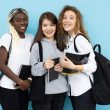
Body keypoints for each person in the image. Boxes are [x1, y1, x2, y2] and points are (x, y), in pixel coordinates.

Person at [56, 5, 97, 110]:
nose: (66, 20)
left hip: (84, 92)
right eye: (64, 17)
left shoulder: (80, 40)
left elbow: (93, 66)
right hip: (75, 91)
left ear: (77, 21)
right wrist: (63, 69)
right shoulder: (70, 40)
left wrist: (73, 67)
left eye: (71, 17)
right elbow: (78, 63)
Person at [30, 12, 68, 110]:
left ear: (56, 26)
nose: (49, 28)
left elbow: (70, 70)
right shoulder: (37, 46)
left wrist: (63, 69)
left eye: (52, 25)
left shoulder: (63, 45)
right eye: (45, 25)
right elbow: (33, 71)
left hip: (61, 91)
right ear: (41, 27)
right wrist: (43, 65)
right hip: (43, 93)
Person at [0, 8, 33, 110]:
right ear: (12, 22)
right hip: (8, 88)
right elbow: (1, 64)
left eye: (25, 19)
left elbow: (35, 62)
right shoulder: (7, 37)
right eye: (17, 20)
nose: (22, 23)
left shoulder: (31, 38)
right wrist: (20, 81)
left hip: (24, 87)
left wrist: (29, 80)